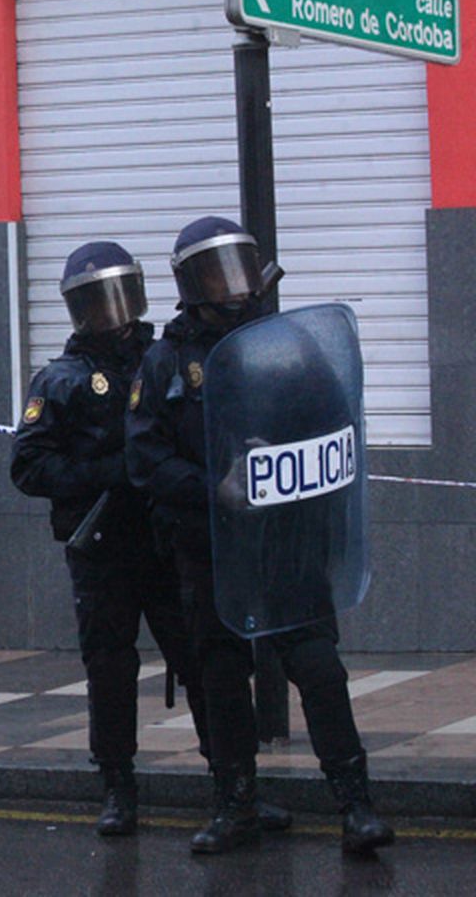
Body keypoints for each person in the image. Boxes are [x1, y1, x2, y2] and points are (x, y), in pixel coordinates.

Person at [126, 216, 394, 855]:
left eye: (242, 268)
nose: (237, 288)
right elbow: (145, 459)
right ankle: (236, 805)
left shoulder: (285, 344)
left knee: (318, 668)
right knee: (221, 678)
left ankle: (355, 805)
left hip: (286, 544)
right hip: (210, 550)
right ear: (190, 283)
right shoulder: (166, 361)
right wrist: (211, 487)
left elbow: (336, 422)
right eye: (219, 273)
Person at [11, 241, 208, 836]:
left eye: (119, 297)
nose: (112, 314)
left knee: (202, 659)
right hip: (102, 549)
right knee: (109, 668)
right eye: (96, 303)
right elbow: (28, 468)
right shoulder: (61, 380)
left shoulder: (165, 357)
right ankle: (118, 788)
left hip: (166, 540)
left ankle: (232, 784)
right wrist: (108, 473)